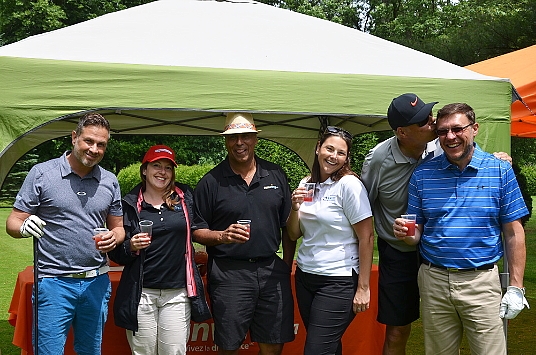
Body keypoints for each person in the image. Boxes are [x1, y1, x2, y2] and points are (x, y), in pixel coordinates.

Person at [361, 93, 513, 355]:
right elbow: (362, 206)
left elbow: (472, 156)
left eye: (429, 115)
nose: (433, 124)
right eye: (424, 121)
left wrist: (497, 159)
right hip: (399, 252)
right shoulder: (377, 159)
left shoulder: (440, 144)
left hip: (437, 253)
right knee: (397, 330)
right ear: (402, 132)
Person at [394, 103, 530, 355]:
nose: (450, 136)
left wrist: (515, 286)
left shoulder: (500, 170)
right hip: (433, 282)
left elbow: (514, 232)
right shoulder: (422, 174)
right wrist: (406, 233)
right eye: (443, 131)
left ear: (474, 128)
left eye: (457, 129)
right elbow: (415, 235)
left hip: (481, 282)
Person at [6, 112, 125, 354]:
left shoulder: (110, 180)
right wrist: (23, 227)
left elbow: (119, 227)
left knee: (90, 350)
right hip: (53, 282)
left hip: (96, 281)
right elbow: (13, 221)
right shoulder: (42, 173)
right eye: (88, 141)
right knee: (49, 351)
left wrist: (116, 237)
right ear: (74, 137)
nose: (94, 149)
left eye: (101, 144)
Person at [192, 112, 295, 355]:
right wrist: (222, 236)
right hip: (229, 273)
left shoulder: (275, 174)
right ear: (225, 141)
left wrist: (286, 266)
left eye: (246, 136)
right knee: (229, 347)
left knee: (273, 345)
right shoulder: (211, 181)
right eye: (233, 137)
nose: (240, 142)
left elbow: (288, 226)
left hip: (271, 270)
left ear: (255, 138)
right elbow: (196, 230)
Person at [108, 145, 211, 354]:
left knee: (174, 352)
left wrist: (222, 236)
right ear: (144, 170)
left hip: (178, 294)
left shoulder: (184, 198)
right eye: (156, 165)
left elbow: (199, 228)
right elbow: (116, 254)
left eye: (168, 167)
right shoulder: (129, 204)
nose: (162, 172)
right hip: (142, 294)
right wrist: (131, 246)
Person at [286, 126, 374, 355]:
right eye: (329, 149)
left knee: (316, 350)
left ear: (346, 158)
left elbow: (367, 236)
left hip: (338, 281)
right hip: (306, 277)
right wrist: (295, 208)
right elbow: (294, 234)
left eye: (341, 153)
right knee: (328, 347)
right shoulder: (306, 184)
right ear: (318, 148)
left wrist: (363, 288)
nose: (333, 156)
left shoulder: (349, 185)